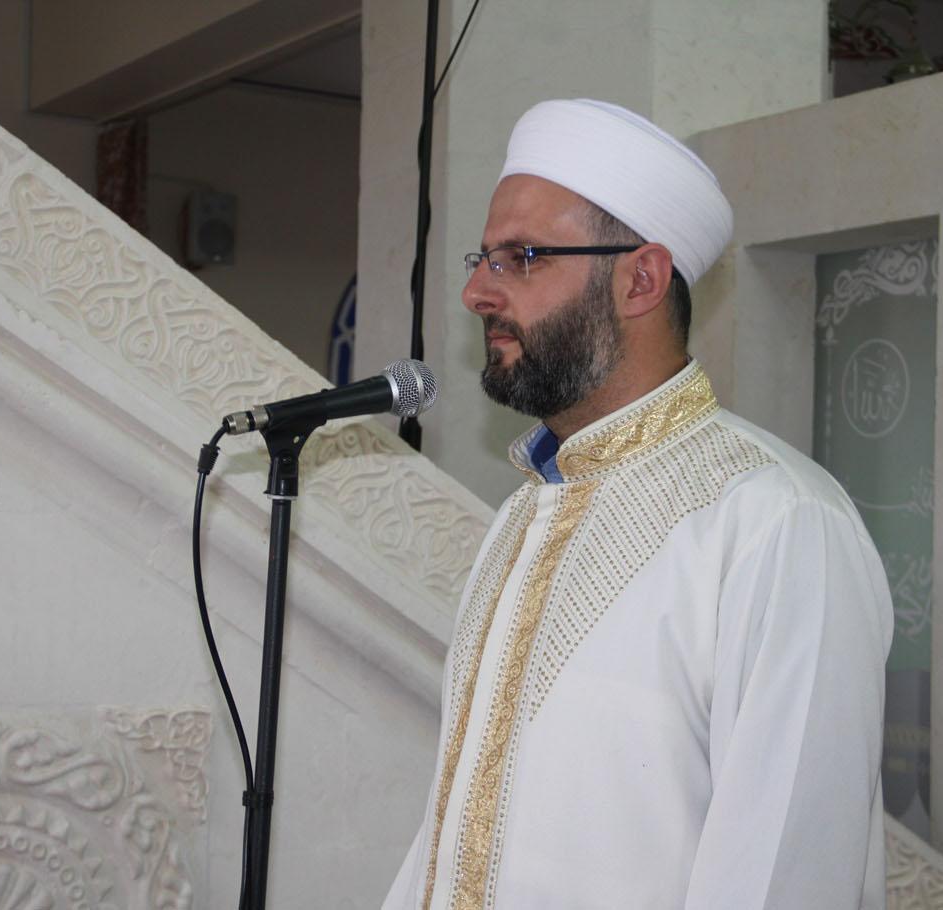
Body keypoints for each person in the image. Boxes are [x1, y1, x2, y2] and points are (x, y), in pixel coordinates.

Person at [382, 99, 894, 910]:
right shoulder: (525, 515)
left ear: (641, 279)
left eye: (521, 257)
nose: (477, 291)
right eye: (484, 258)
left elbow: (783, 873)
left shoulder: (777, 522)